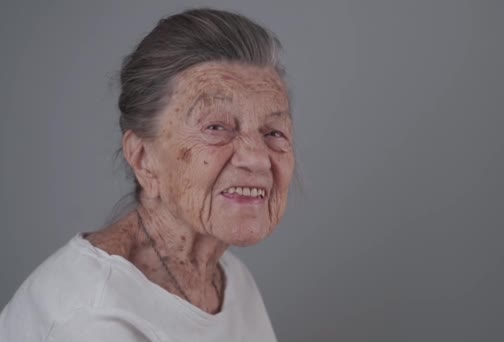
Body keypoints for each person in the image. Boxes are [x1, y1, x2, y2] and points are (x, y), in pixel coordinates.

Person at [0, 8, 294, 341]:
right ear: (143, 158)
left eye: (273, 132)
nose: (257, 158)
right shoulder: (96, 321)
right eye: (216, 127)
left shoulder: (230, 278)